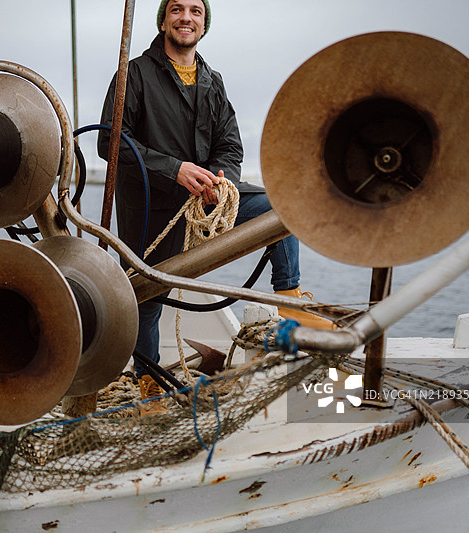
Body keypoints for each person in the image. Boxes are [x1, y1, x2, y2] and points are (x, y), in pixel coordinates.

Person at [98, 0, 332, 414]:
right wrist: (174, 170)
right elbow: (109, 143)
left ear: (204, 24)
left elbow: (230, 146)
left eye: (195, 11)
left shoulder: (213, 81)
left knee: (278, 209)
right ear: (164, 19)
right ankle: (150, 385)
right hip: (153, 213)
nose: (186, 17)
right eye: (176, 9)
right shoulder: (132, 75)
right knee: (146, 300)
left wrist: (219, 181)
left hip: (207, 207)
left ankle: (290, 298)